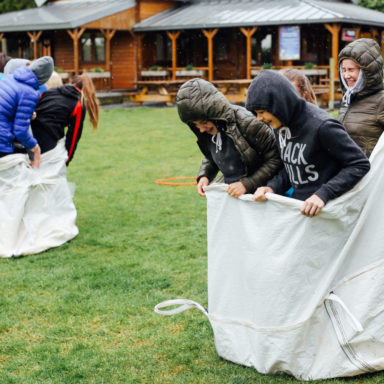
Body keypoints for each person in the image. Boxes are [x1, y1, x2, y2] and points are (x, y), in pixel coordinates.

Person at [245, 70, 370, 217]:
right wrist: (272, 187)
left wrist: (324, 193)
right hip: (302, 211)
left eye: (261, 112)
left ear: (278, 105)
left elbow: (359, 164)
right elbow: (292, 167)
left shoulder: (323, 126)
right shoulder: (279, 125)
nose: (259, 118)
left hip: (330, 213)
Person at [176, 78, 282, 198]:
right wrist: (205, 175)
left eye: (204, 122)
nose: (201, 129)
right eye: (196, 124)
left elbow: (276, 159)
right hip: (232, 196)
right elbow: (213, 154)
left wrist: (247, 184)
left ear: (214, 113)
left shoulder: (248, 123)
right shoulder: (207, 130)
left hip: (261, 196)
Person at [31, 73, 99, 165]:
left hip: (30, 135)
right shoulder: (78, 103)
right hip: (48, 142)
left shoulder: (51, 91)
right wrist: (67, 160)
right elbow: (74, 135)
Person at [0, 56, 54, 167]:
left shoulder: (9, 78)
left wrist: (28, 115)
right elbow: (20, 131)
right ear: (43, 79)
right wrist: (35, 147)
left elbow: (7, 109)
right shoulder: (29, 92)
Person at [338, 38, 384, 158]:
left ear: (367, 71)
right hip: (348, 172)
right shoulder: (348, 99)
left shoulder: (381, 101)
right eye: (343, 70)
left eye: (351, 70)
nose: (346, 75)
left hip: (370, 173)